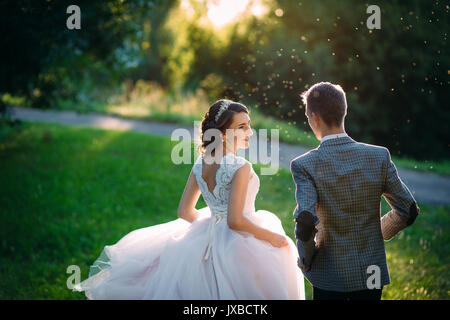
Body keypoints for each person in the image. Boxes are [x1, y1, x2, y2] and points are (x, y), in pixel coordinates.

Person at [73, 99, 305, 300]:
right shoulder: (240, 167)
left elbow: (185, 211)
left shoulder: (200, 163)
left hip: (207, 234)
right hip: (239, 242)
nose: (250, 132)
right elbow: (235, 221)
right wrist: (274, 237)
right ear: (223, 134)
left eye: (249, 125)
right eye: (242, 127)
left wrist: (210, 223)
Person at [290, 82, 419, 300]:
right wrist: (378, 232)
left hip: (330, 274)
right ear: (344, 111)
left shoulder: (305, 164)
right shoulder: (379, 156)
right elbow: (408, 209)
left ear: (315, 117)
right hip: (372, 271)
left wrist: (306, 260)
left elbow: (305, 223)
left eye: (307, 116)